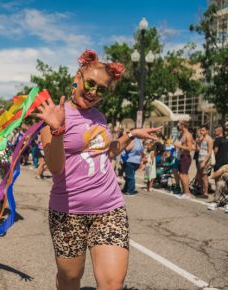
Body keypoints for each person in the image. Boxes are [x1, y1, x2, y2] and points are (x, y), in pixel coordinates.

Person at [35, 49, 161, 290]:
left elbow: (105, 152)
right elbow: (55, 167)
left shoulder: (99, 117)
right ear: (78, 77)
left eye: (100, 89)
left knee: (113, 284)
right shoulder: (55, 115)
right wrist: (58, 130)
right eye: (90, 83)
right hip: (68, 212)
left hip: (109, 208)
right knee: (70, 278)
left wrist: (132, 134)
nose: (93, 92)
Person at [174, 120, 194, 199]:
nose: (178, 126)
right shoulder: (184, 134)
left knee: (183, 175)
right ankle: (185, 192)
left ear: (183, 125)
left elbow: (189, 148)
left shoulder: (188, 135)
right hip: (182, 156)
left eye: (179, 125)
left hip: (186, 157)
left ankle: (187, 193)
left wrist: (178, 145)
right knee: (183, 175)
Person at [196, 124, 213, 198]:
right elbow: (199, 149)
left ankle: (205, 193)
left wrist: (204, 162)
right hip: (200, 158)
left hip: (205, 160)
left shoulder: (209, 139)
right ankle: (202, 191)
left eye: (203, 130)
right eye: (201, 130)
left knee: (204, 177)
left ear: (207, 131)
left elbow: (209, 152)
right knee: (199, 176)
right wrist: (197, 143)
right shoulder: (201, 138)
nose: (201, 132)